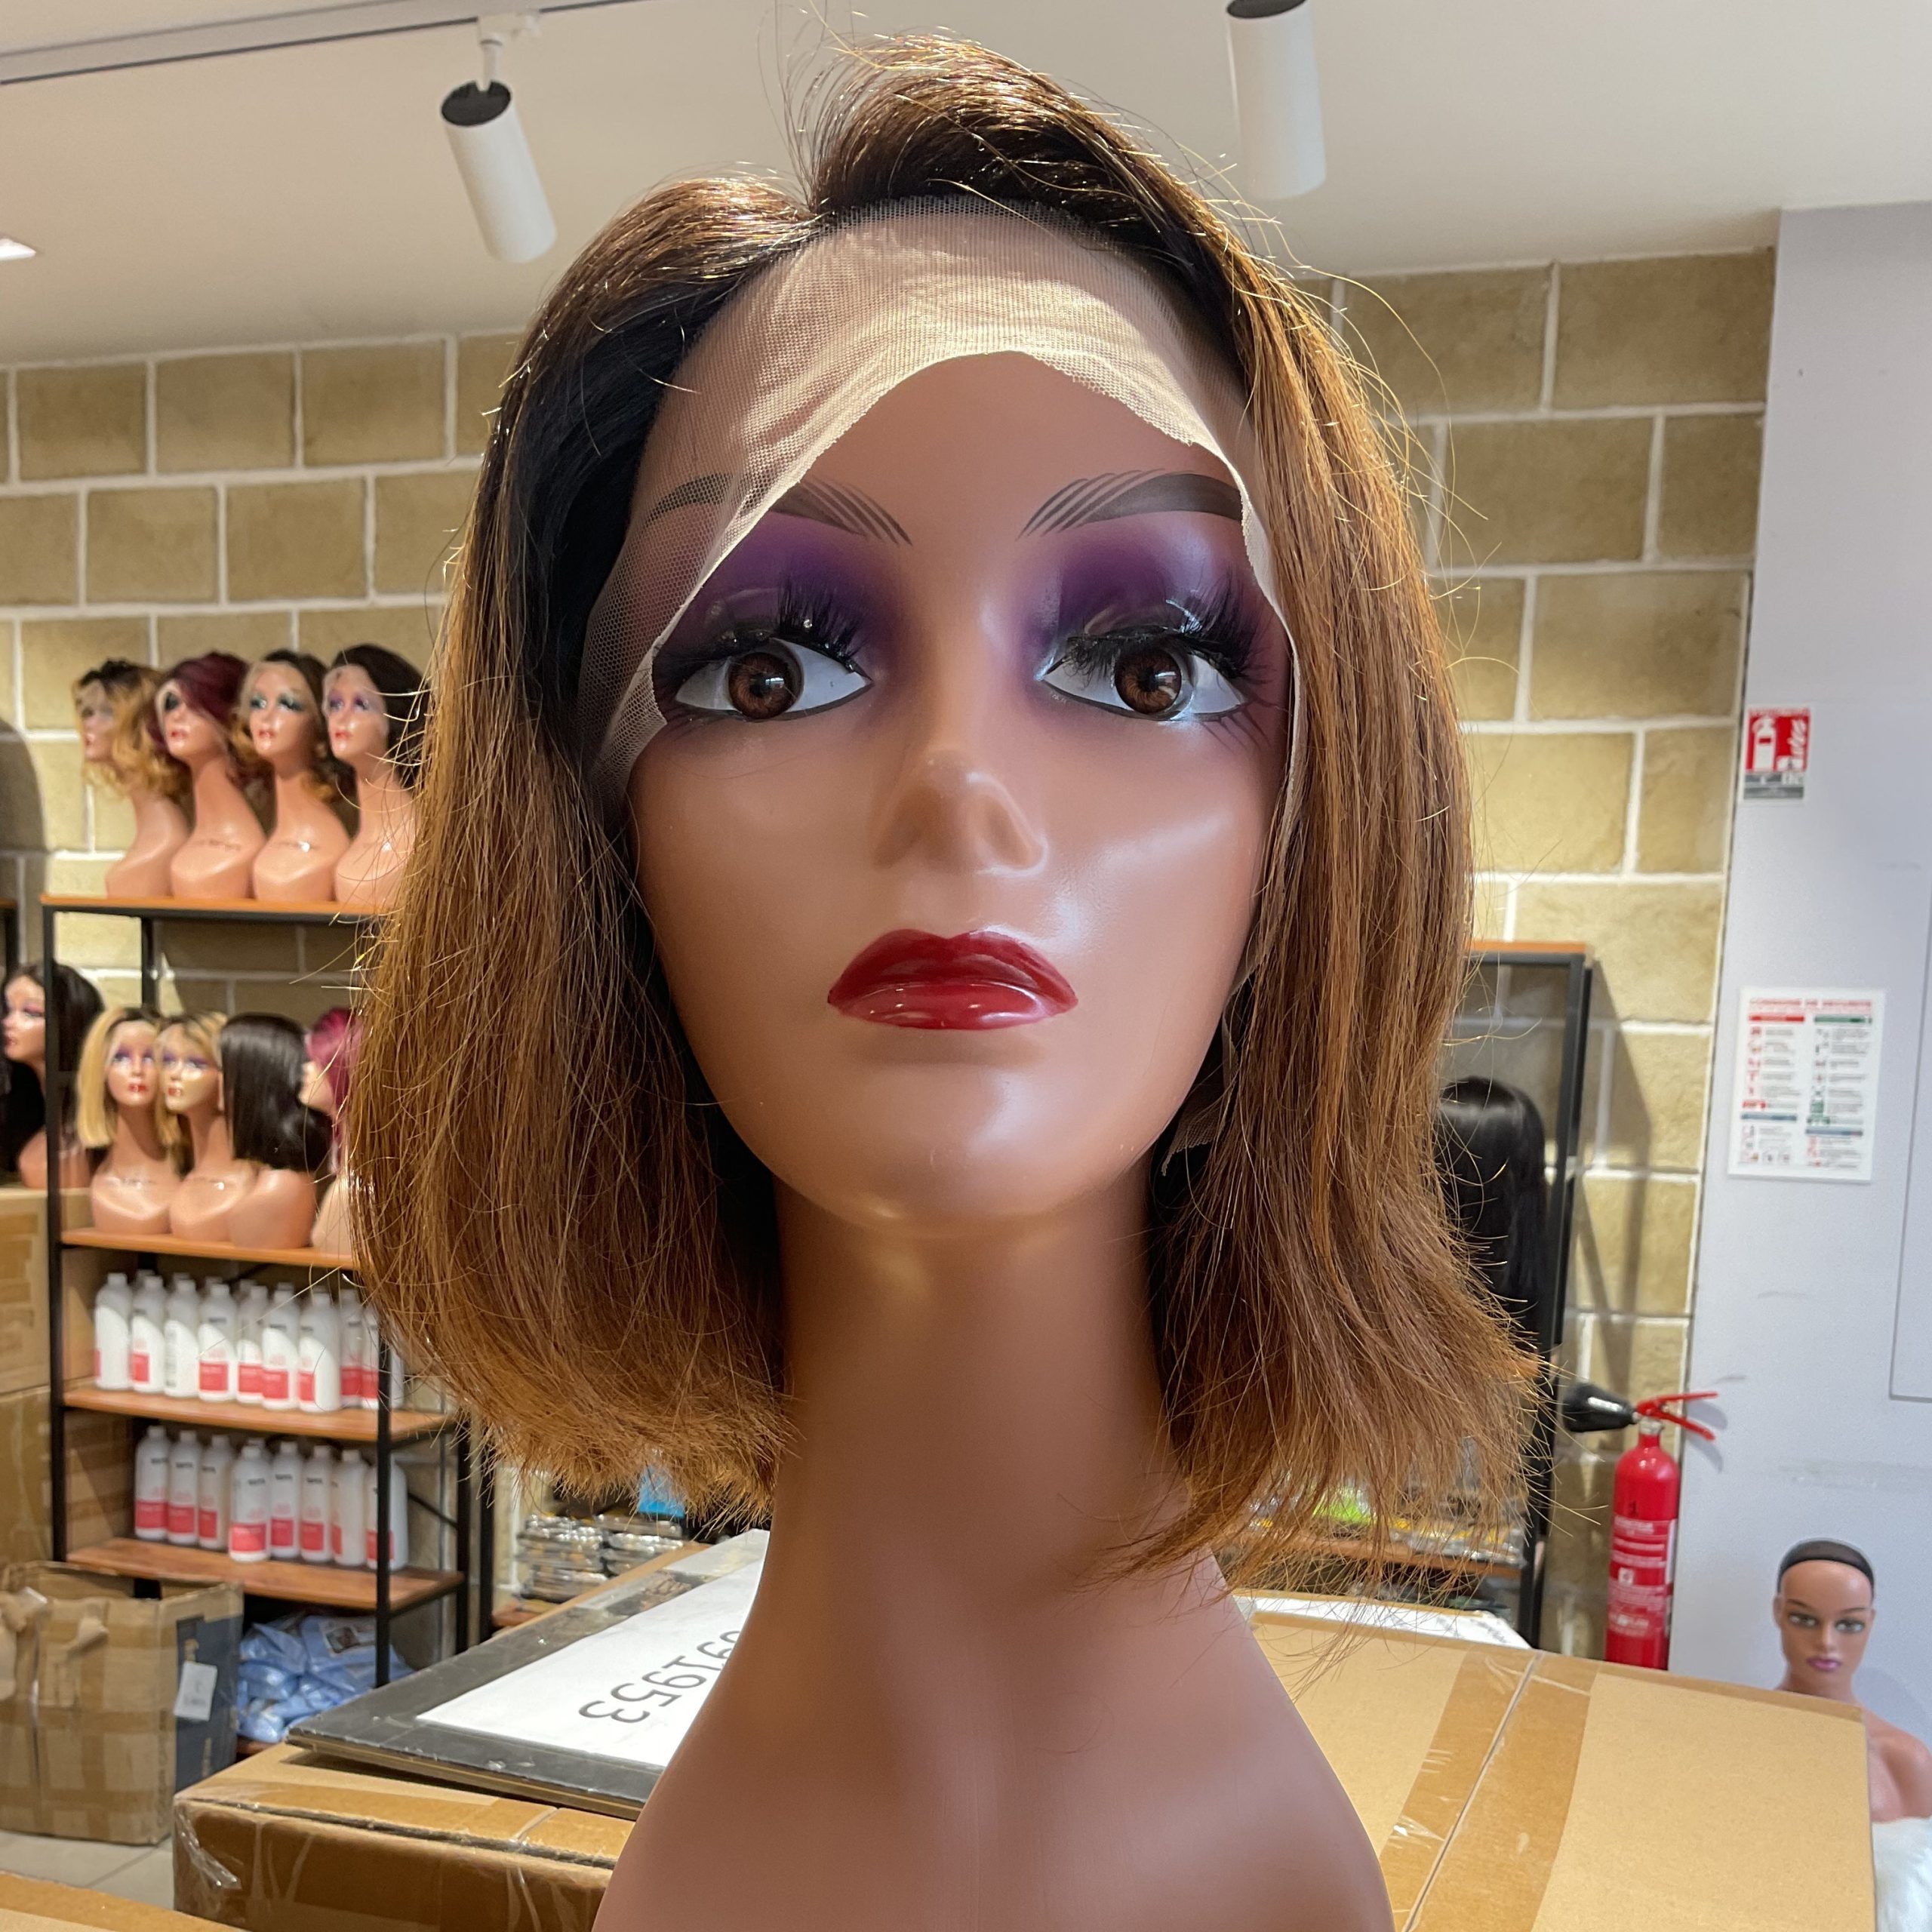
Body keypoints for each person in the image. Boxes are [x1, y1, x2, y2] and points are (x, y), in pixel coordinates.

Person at [1774, 1540, 1932, 1822]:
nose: (1826, 1642)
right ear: (1779, 1612)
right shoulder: (1738, 1738)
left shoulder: (1906, 1759)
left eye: (1849, 1625)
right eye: (1804, 1619)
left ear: (1870, 1622)